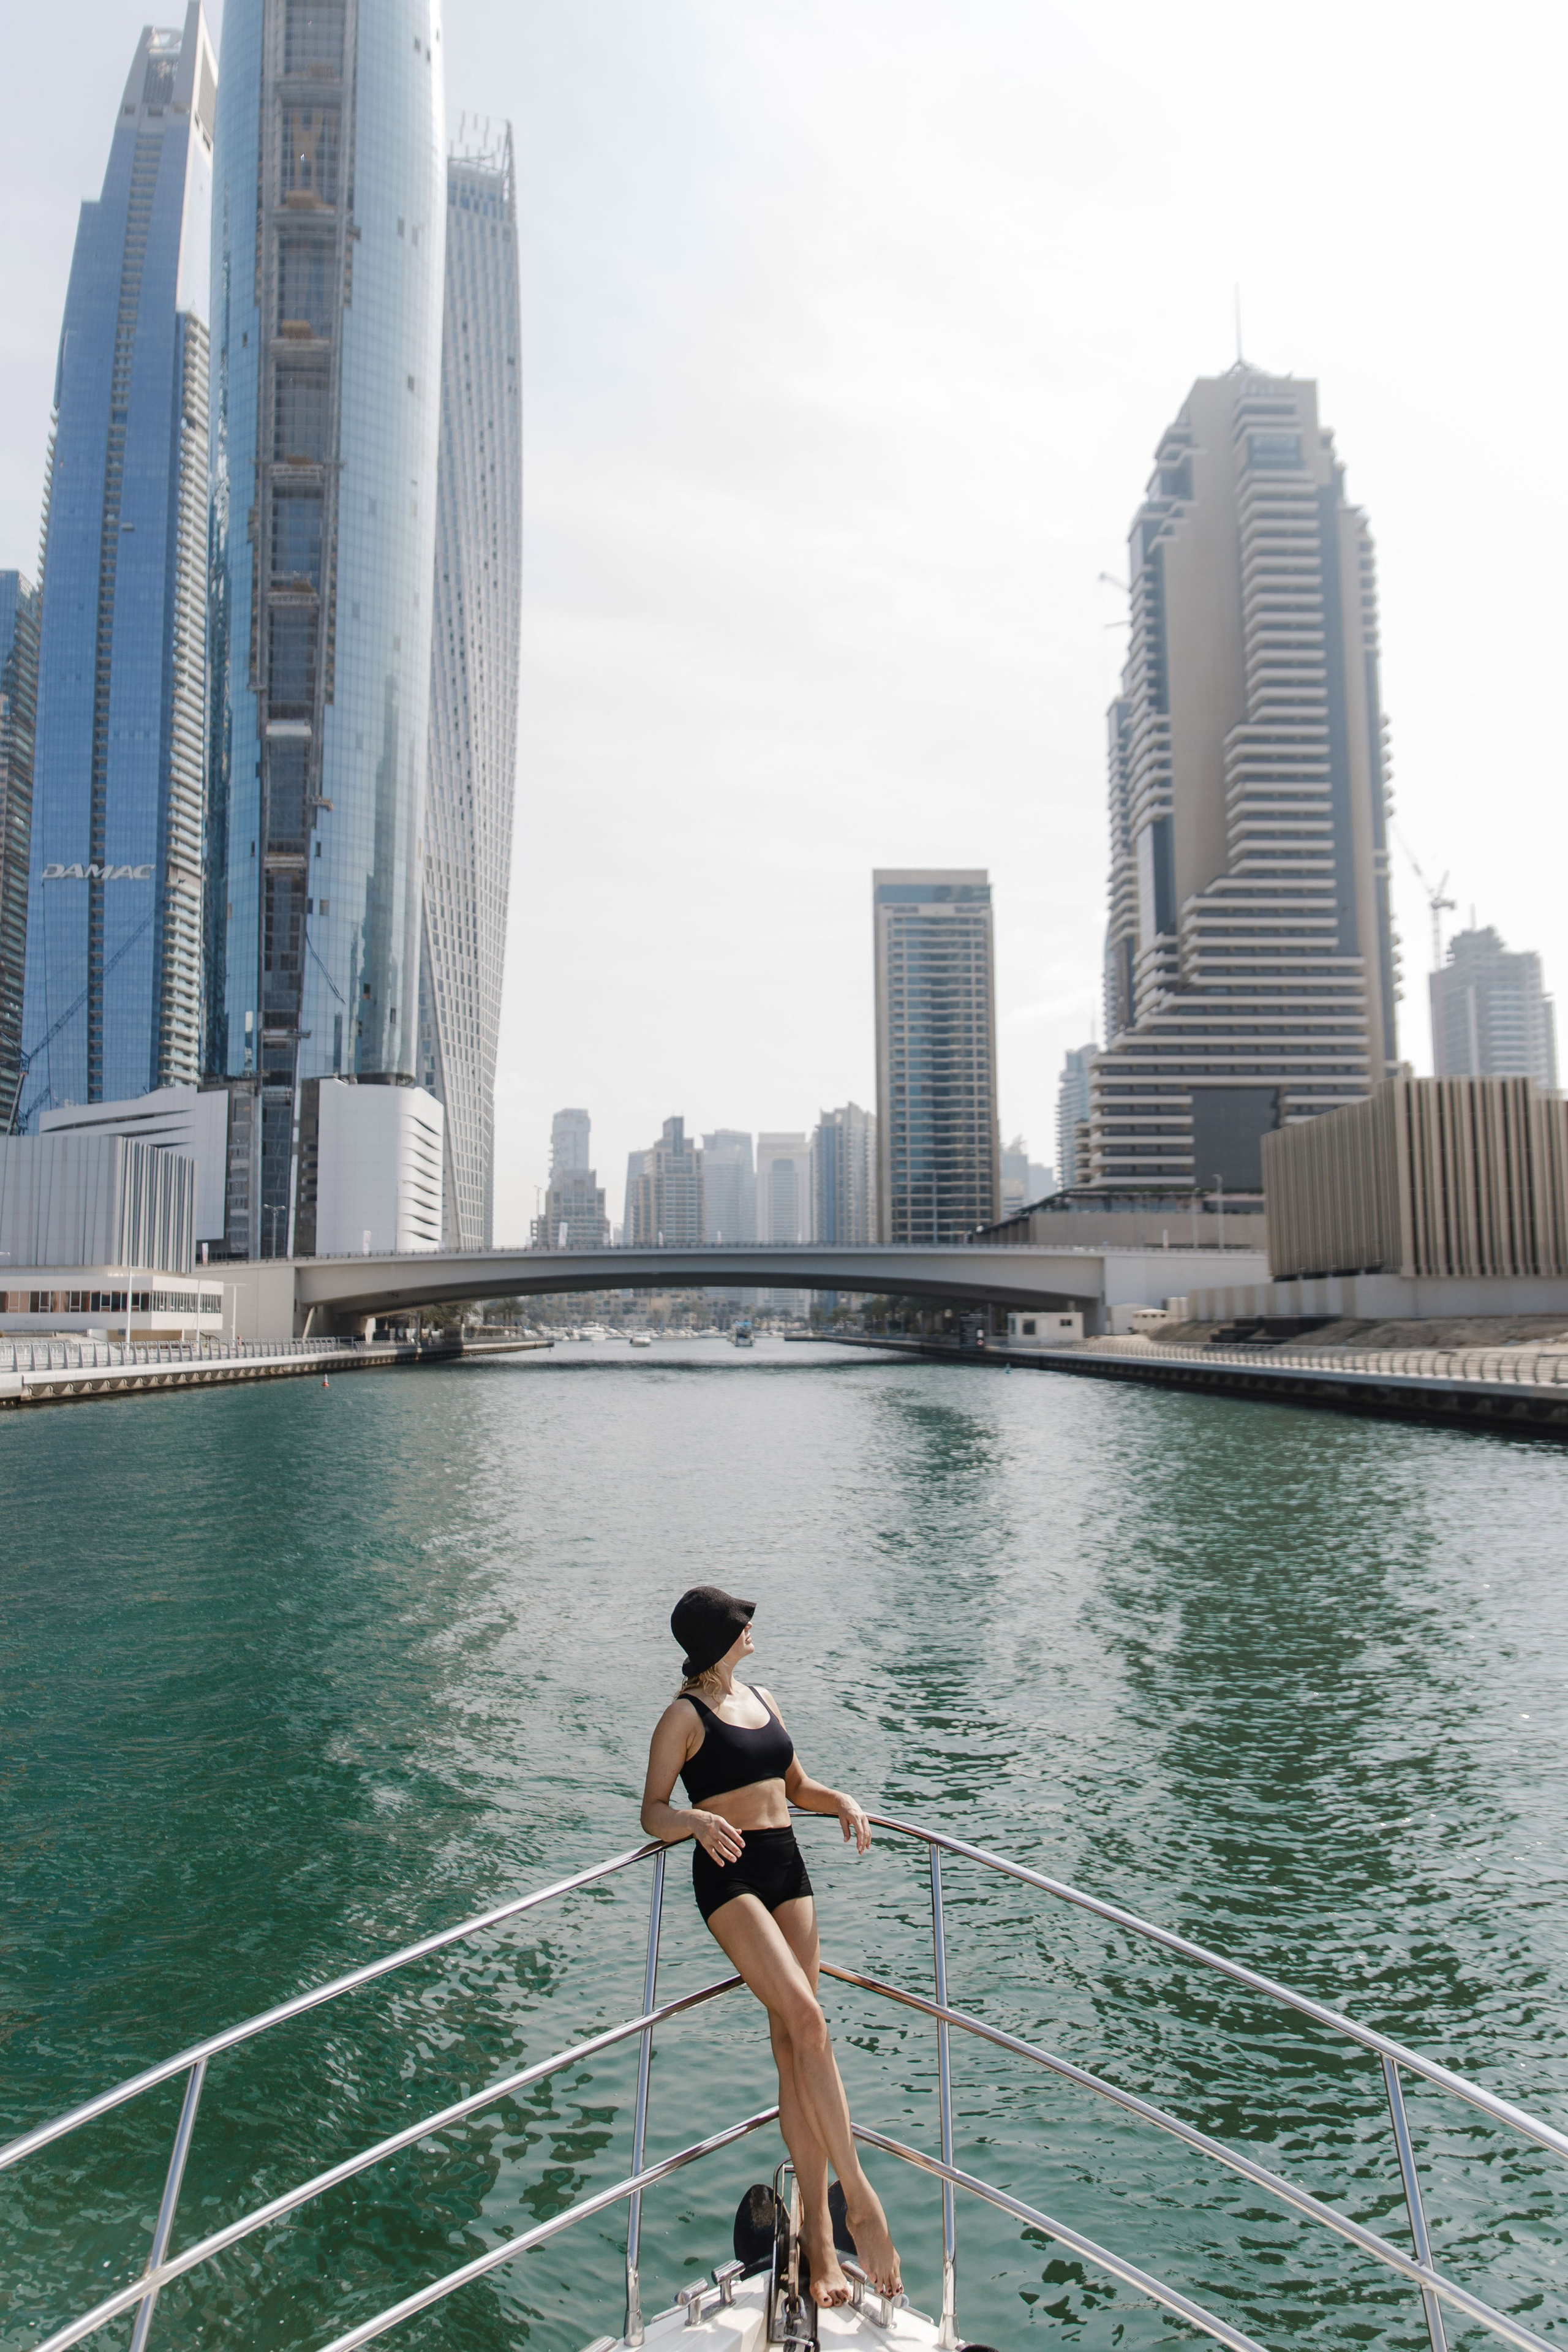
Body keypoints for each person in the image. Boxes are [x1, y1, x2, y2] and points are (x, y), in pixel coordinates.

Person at [641, 1586, 902, 2311]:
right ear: (713, 1639)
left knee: (794, 2043)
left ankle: (817, 2230)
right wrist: (691, 1821)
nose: (750, 1627)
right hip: (730, 1877)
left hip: (788, 1865)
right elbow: (651, 1810)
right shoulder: (681, 1718)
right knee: (809, 2019)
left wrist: (840, 1799)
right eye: (738, 1622)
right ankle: (860, 2201)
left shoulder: (764, 1697)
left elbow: (795, 1785)